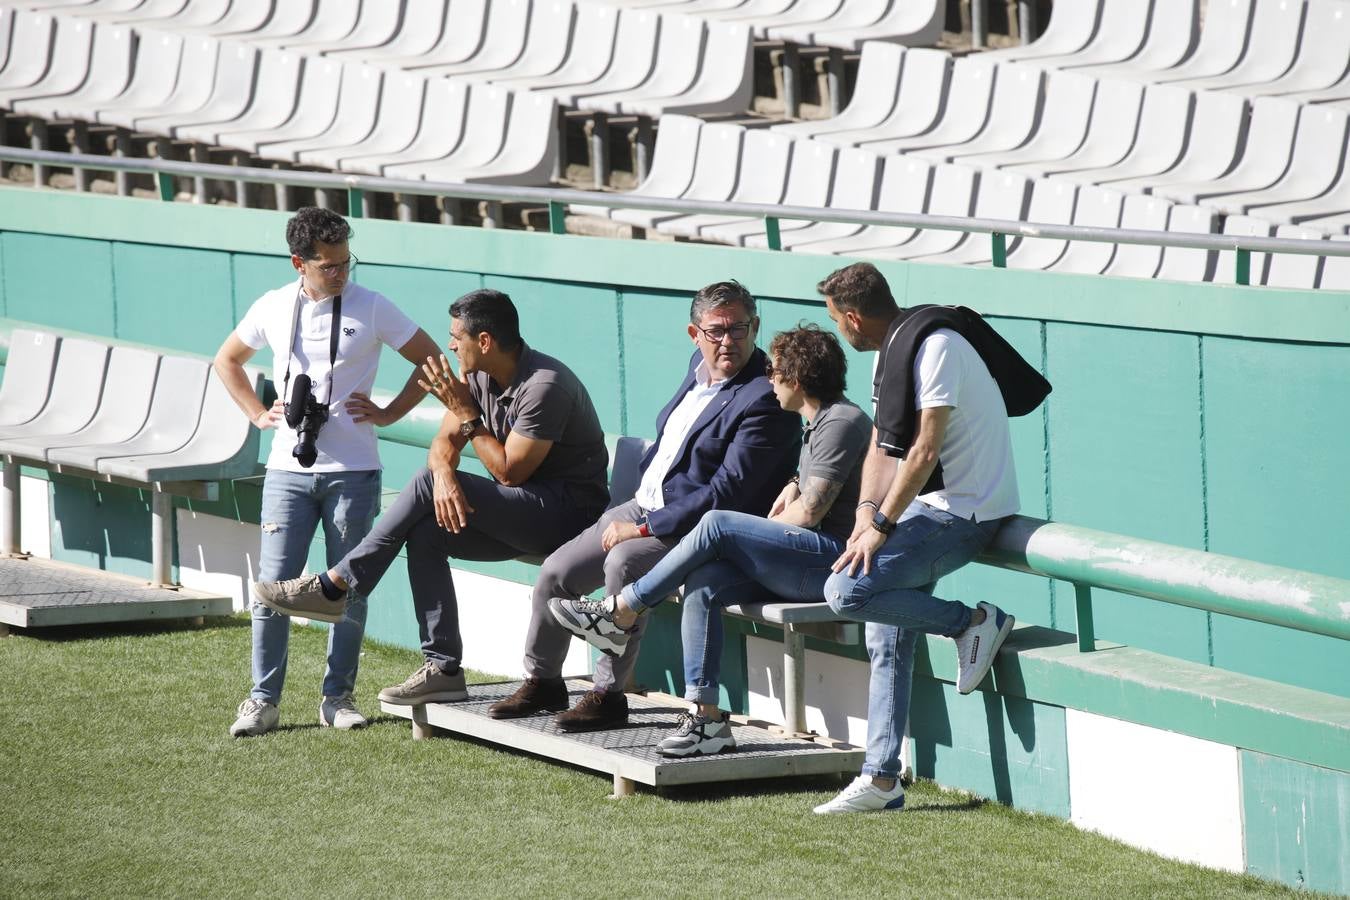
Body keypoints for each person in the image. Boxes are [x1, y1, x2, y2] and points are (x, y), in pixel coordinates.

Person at [252, 288, 610, 709]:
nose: (451, 345)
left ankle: (337, 585)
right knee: (427, 529)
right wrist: (444, 474)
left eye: (457, 336)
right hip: (524, 513)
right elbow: (442, 444)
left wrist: (466, 418)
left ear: (485, 342)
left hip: (570, 522)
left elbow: (510, 472)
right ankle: (443, 669)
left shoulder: (545, 385)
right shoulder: (477, 375)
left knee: (424, 487)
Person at [487, 280, 803, 732]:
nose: (728, 341)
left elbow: (727, 493)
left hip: (697, 530)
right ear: (694, 335)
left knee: (624, 562)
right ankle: (543, 681)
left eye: (738, 329)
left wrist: (645, 528)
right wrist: (639, 512)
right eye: (715, 331)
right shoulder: (699, 365)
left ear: (755, 327)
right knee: (556, 573)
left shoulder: (764, 397)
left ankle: (607, 695)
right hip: (645, 503)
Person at [550, 325, 871, 757]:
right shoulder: (818, 421)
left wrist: (752, 531)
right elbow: (812, 486)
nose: (767, 377)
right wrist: (793, 484)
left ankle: (622, 609)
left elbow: (811, 514)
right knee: (705, 583)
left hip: (827, 566)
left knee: (719, 524)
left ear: (796, 380)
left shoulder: (841, 419)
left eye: (774, 371)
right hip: (798, 560)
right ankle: (705, 717)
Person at [811, 261, 1051, 814]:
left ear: (852, 317)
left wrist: (882, 527)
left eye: (835, 320)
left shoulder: (936, 346)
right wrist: (866, 513)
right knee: (883, 626)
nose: (839, 331)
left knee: (845, 592)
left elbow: (921, 451)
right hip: (927, 509)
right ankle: (881, 780)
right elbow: (881, 447)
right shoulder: (889, 350)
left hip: (968, 515)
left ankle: (971, 622)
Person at [215, 206, 441, 737]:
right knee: (272, 587)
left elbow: (432, 362)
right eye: (329, 266)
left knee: (349, 588)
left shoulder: (373, 305)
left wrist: (389, 414)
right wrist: (256, 412)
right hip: (285, 472)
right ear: (300, 262)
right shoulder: (272, 306)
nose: (341, 274)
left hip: (355, 470)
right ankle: (262, 700)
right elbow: (227, 360)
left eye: (346, 262)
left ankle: (337, 697)